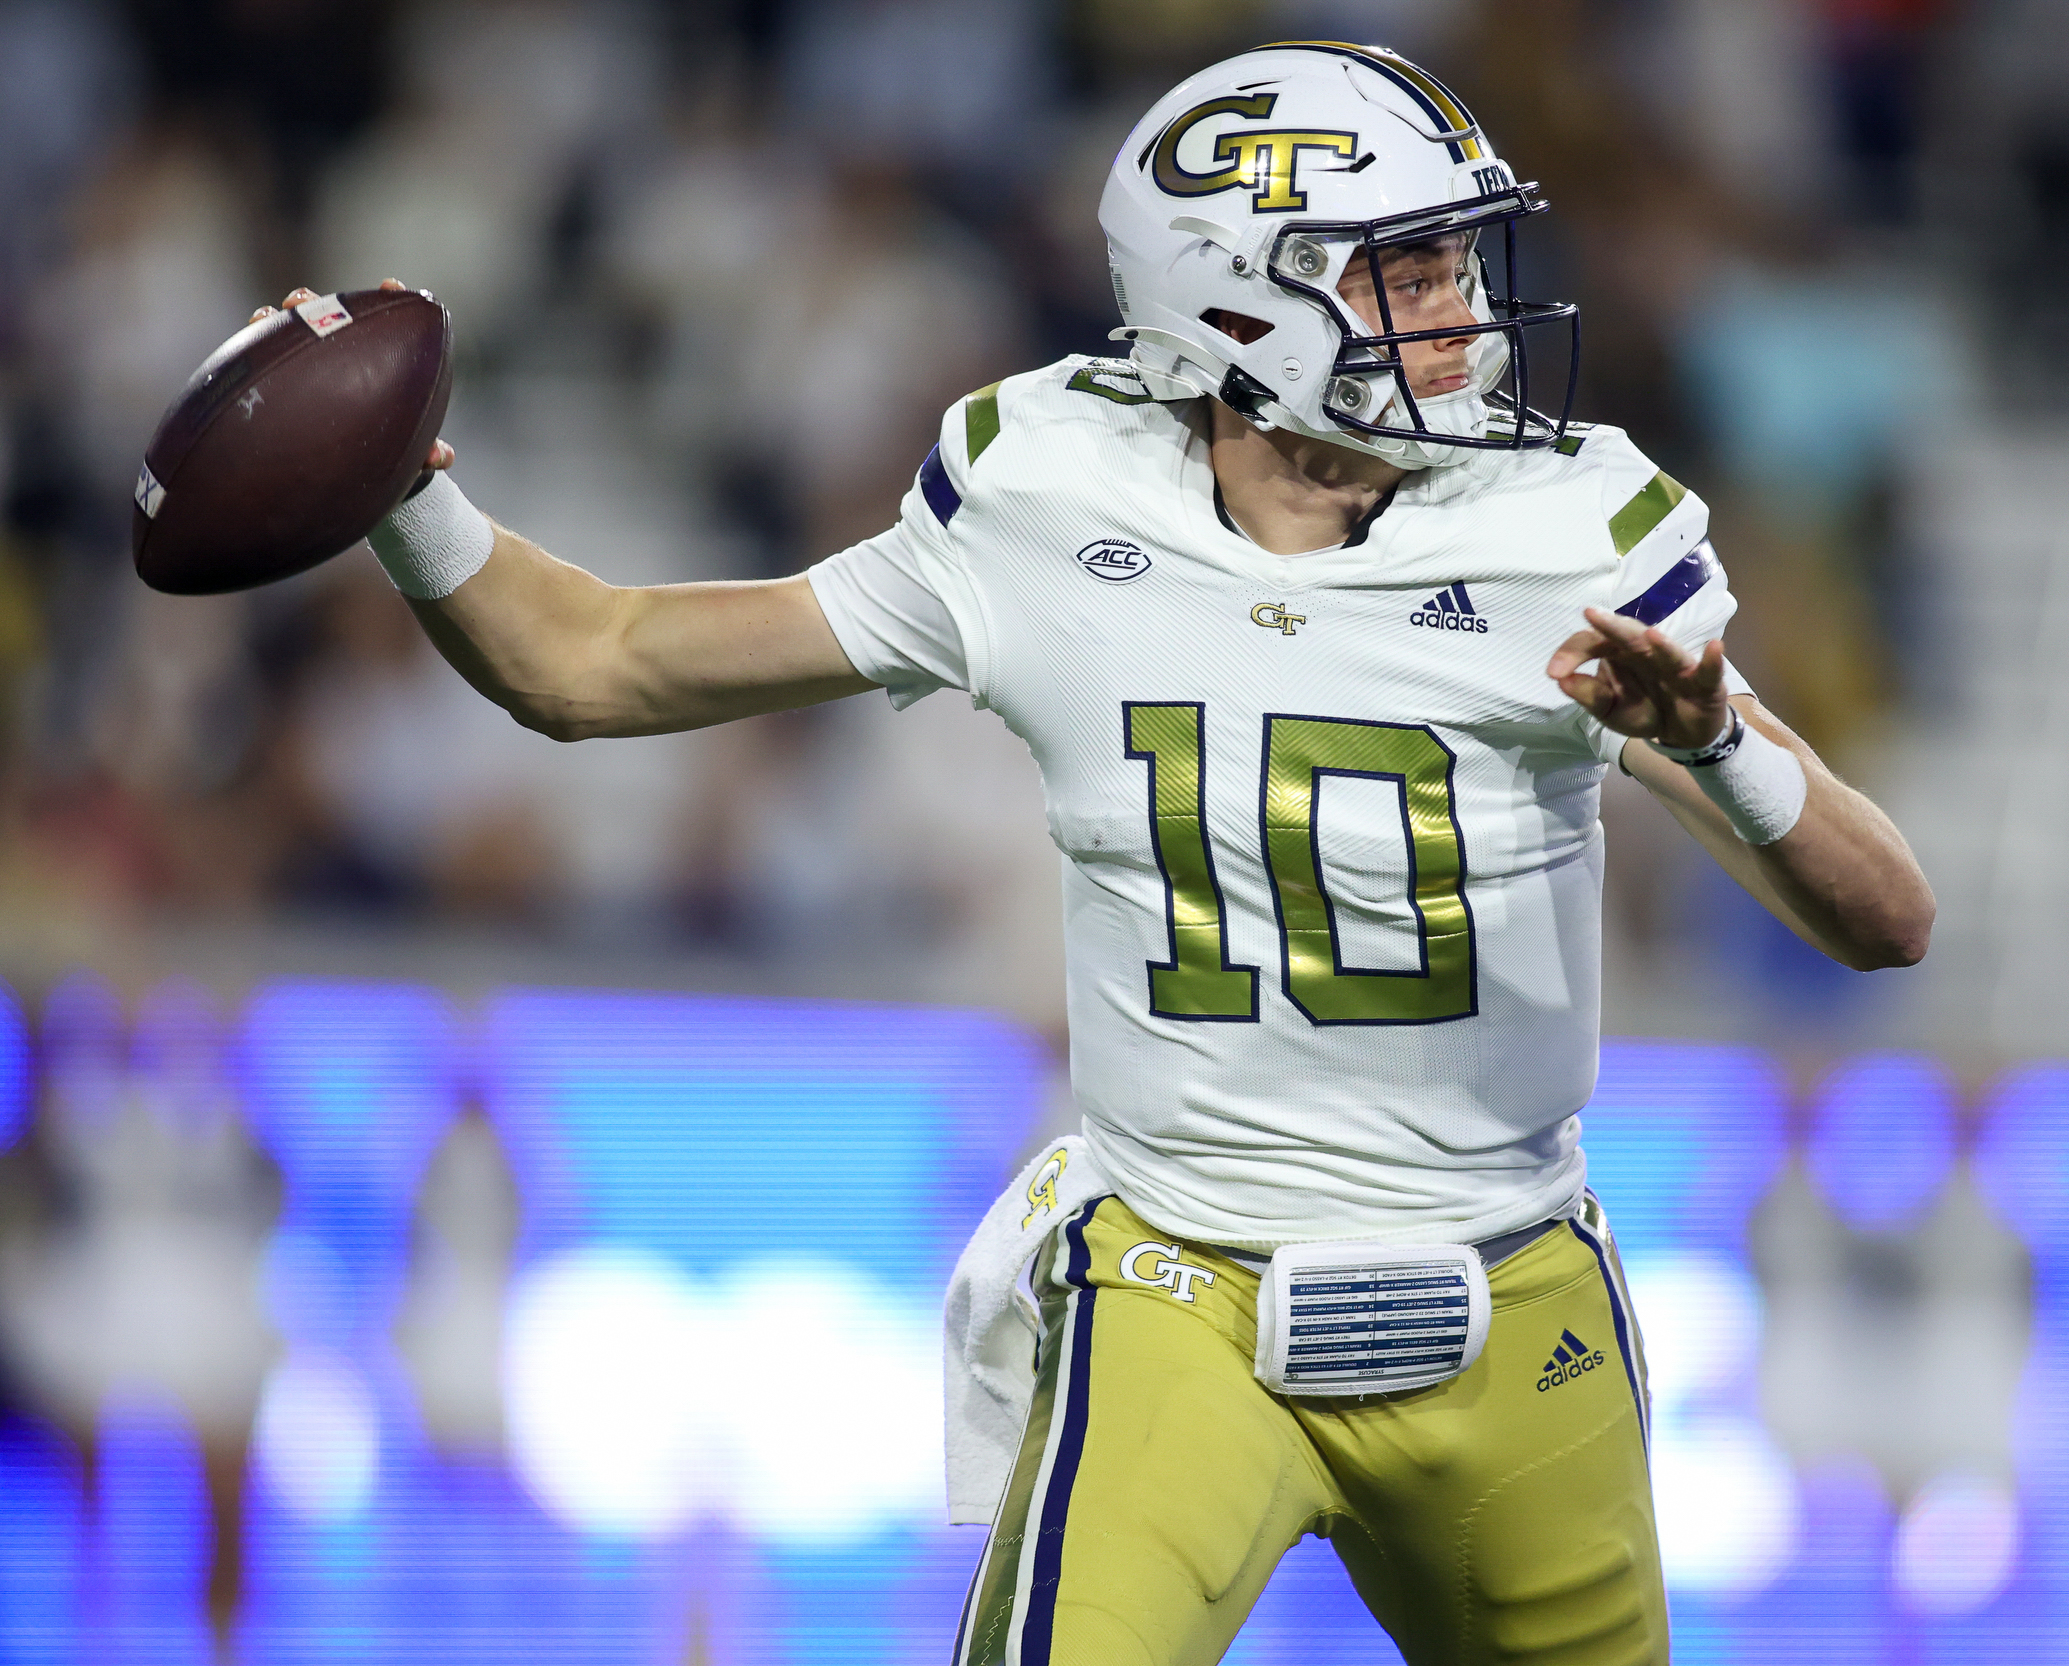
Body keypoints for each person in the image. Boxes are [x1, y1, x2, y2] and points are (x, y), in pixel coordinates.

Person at [254, 41, 1930, 1666]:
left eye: (1458, 263)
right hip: (1178, 1286)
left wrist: (1713, 745)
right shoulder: (1049, 497)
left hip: (1508, 1296)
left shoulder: (1570, 528)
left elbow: (1887, 917)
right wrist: (408, 496)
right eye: (1407, 270)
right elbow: (594, 662)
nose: (1468, 312)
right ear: (1240, 298)